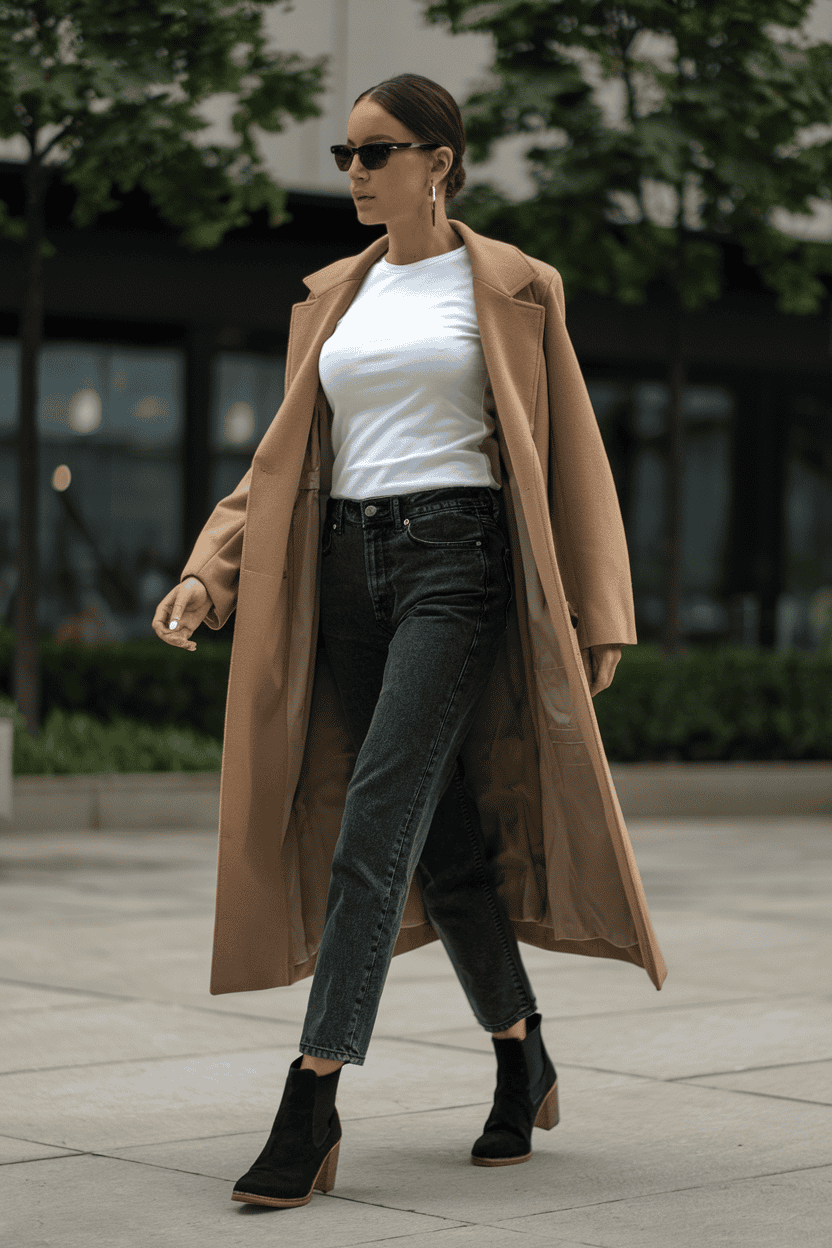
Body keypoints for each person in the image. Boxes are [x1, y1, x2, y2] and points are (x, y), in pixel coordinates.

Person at [153, 72, 665, 1211]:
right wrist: (208, 569)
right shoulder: (335, 293)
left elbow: (568, 447)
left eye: (374, 153)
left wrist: (601, 605)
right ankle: (520, 1048)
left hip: (457, 559)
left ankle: (312, 1095)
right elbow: (282, 460)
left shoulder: (515, 284)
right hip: (343, 569)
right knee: (439, 843)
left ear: (439, 159)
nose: (352, 172)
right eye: (344, 154)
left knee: (372, 820)